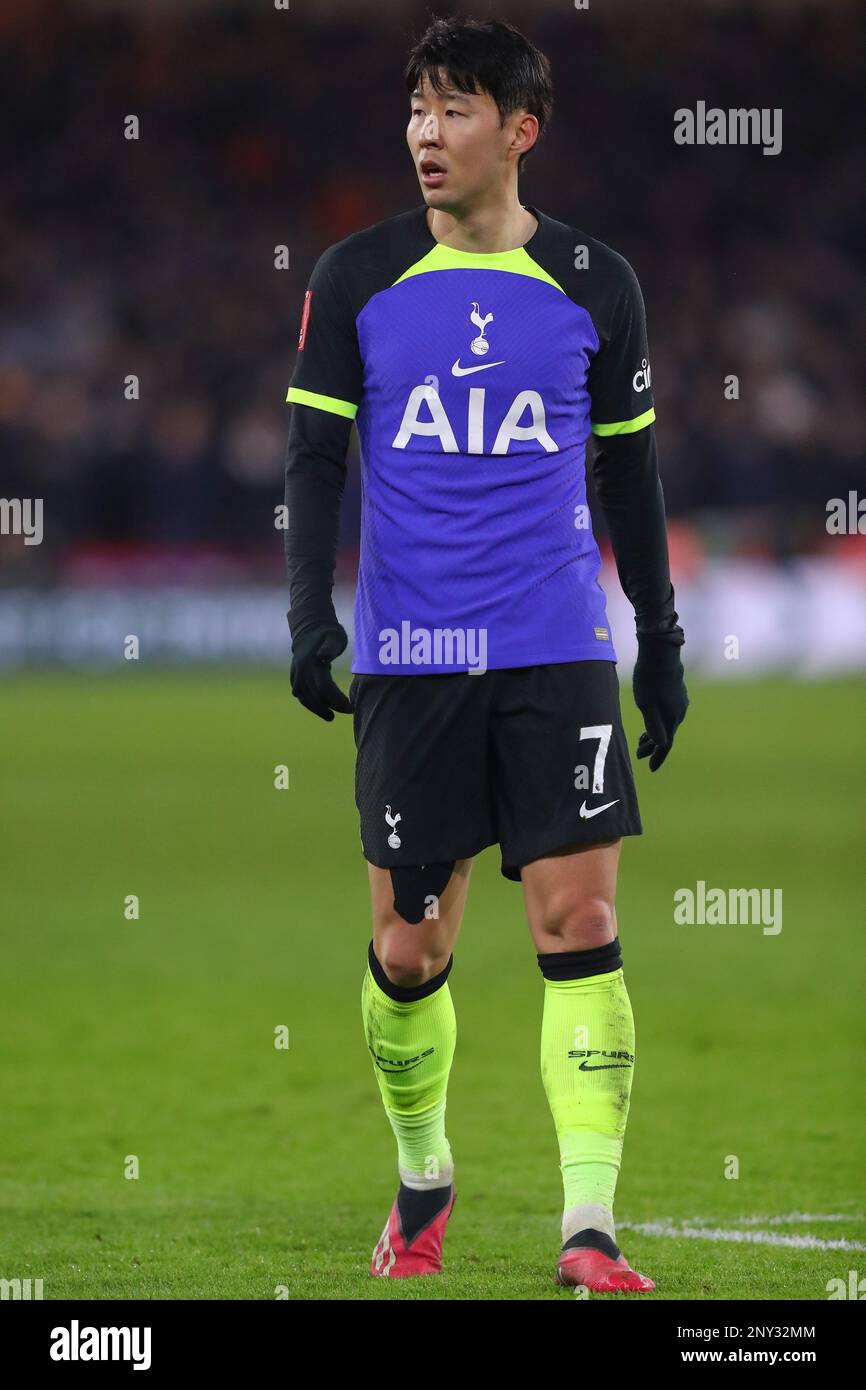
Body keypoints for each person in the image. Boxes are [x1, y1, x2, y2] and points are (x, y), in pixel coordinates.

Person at [284, 16, 687, 1292]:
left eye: (454, 109)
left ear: (519, 130)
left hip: (553, 644)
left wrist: (658, 642)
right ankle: (422, 1175)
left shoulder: (592, 282)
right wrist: (309, 617)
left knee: (580, 919)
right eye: (414, 107)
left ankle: (589, 1227)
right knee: (411, 953)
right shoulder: (354, 277)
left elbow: (630, 474)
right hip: (411, 657)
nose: (423, 132)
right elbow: (314, 458)